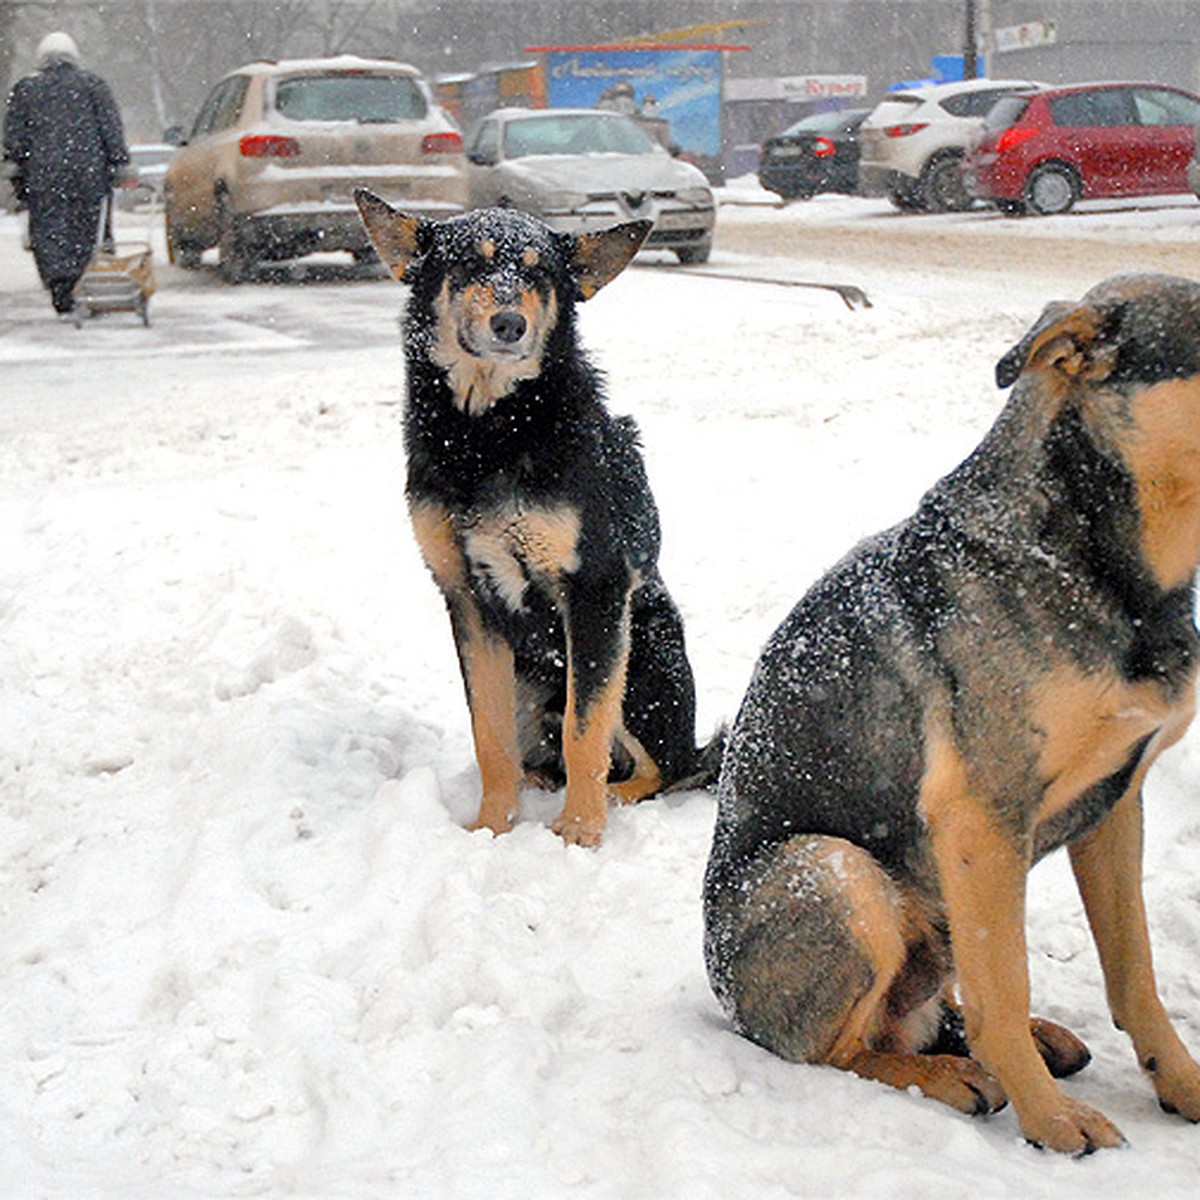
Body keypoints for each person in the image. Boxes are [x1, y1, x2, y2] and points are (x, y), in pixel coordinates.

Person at [3, 32, 128, 315]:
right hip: (89, 175)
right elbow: (110, 128)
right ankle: (93, 282)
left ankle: (62, 289)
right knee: (90, 230)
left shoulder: (26, 90)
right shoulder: (93, 86)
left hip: (43, 176)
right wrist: (118, 163)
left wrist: (18, 171)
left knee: (51, 233)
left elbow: (15, 137)